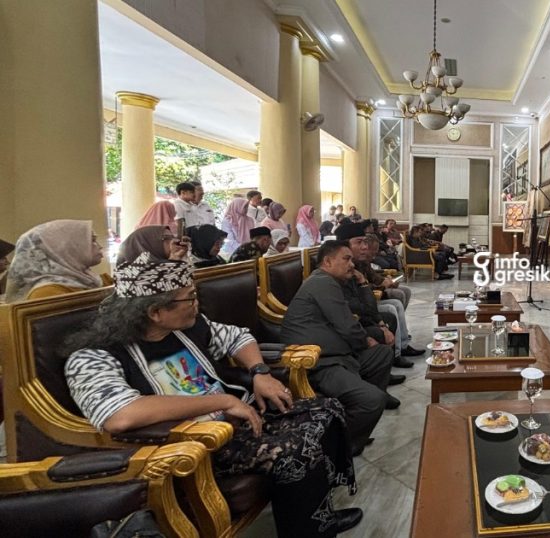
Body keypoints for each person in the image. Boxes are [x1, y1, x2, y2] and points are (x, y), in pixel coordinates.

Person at [63, 253, 363, 536]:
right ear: (155, 312)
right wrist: (222, 401)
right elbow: (120, 415)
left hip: (235, 419)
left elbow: (238, 337)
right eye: (189, 298)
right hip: (191, 442)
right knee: (296, 449)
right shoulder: (92, 357)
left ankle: (315, 514)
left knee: (325, 409)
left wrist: (260, 372)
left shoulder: (188, 327)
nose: (196, 303)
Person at [280, 240, 395, 451]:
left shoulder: (331, 282)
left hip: (341, 355)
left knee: (382, 354)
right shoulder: (322, 282)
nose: (352, 264)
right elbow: (347, 326)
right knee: (372, 400)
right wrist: (366, 339)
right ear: (327, 261)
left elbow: (349, 319)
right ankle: (339, 449)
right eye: (346, 258)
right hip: (320, 363)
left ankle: (354, 431)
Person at [337, 222, 423, 361]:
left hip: (365, 302)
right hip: (356, 310)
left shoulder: (359, 261)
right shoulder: (339, 267)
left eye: (365, 242)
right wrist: (379, 287)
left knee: (400, 296)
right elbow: (352, 298)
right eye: (359, 242)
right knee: (393, 306)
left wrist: (383, 282)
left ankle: (401, 342)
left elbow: (371, 277)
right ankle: (397, 352)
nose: (365, 247)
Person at [4, 220, 106, 302]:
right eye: (92, 240)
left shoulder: (88, 279)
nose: (100, 246)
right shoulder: (47, 293)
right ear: (65, 247)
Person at [117, 225, 191, 266]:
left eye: (173, 237)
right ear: (149, 244)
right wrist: (173, 262)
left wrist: (175, 259)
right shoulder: (133, 278)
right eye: (167, 238)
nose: (174, 241)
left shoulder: (163, 269)